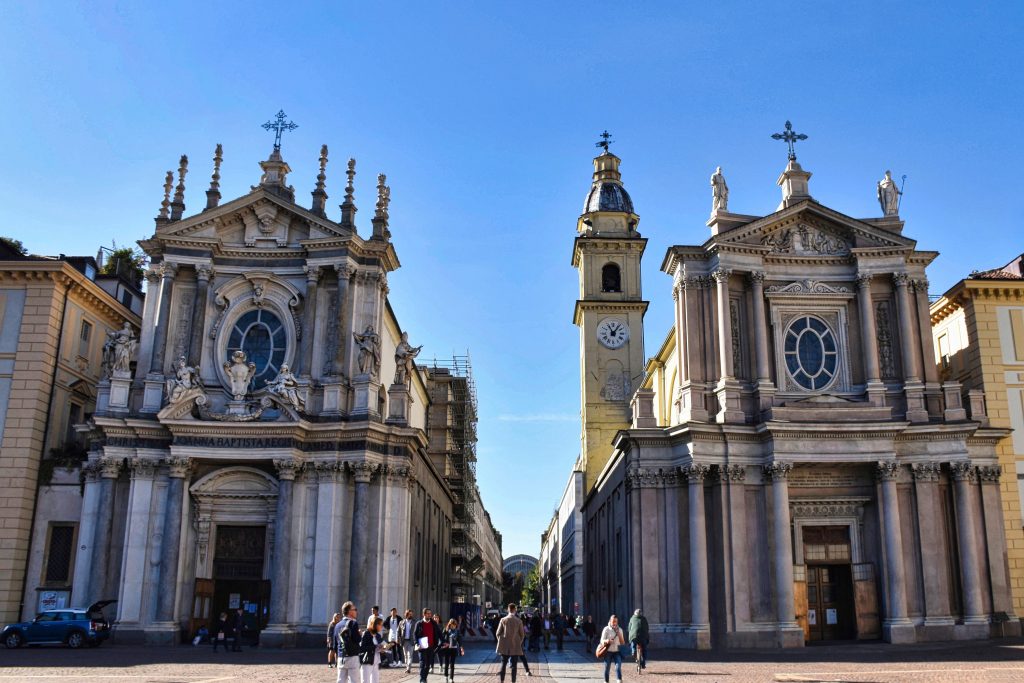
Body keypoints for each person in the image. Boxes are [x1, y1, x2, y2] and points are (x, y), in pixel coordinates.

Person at [496, 603, 525, 683]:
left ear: (508, 610)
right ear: (515, 610)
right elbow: (522, 635)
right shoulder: (519, 621)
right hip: (515, 646)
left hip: (504, 646)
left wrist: (501, 641)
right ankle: (513, 682)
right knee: (514, 666)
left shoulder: (503, 620)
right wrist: (518, 642)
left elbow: (498, 633)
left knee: (503, 664)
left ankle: (502, 681)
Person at [413, 608, 441, 683]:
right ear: (424, 614)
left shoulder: (433, 623)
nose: (429, 615)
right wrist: (416, 643)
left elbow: (439, 633)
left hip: (431, 647)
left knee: (428, 665)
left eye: (430, 613)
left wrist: (443, 641)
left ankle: (424, 678)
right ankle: (422, 680)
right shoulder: (419, 623)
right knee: (422, 663)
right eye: (428, 613)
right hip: (422, 647)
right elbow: (415, 634)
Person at [336, 602, 362, 683]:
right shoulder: (353, 623)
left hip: (341, 656)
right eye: (355, 609)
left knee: (340, 680)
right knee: (354, 680)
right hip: (352, 656)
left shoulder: (338, 625)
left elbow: (335, 643)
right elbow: (357, 639)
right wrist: (360, 634)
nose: (356, 611)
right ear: (349, 611)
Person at [599, 615, 626, 683]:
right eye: (613, 621)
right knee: (607, 667)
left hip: (617, 651)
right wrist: (607, 641)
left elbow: (623, 642)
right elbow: (601, 640)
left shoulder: (620, 629)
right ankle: (606, 681)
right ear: (610, 621)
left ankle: (619, 680)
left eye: (616, 621)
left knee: (618, 667)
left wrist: (619, 634)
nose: (614, 623)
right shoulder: (606, 629)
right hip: (608, 651)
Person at [360, 616, 385, 683]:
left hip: (376, 661)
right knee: (365, 681)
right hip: (367, 661)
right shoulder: (366, 634)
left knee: (375, 681)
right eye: (380, 625)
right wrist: (375, 647)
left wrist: (383, 649)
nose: (381, 627)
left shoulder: (378, 635)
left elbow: (381, 645)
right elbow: (362, 648)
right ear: (376, 624)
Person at [438, 618, 464, 683]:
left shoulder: (457, 631)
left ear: (456, 625)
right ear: (449, 625)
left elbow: (459, 640)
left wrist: (461, 647)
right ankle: (446, 676)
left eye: (454, 625)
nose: (453, 626)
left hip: (454, 649)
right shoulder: (446, 630)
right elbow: (441, 638)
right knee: (446, 664)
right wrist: (444, 643)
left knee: (452, 664)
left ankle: (451, 678)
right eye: (451, 625)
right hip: (447, 649)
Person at [399, 609, 416, 674]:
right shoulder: (401, 622)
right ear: (406, 614)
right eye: (409, 614)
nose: (411, 615)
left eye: (411, 614)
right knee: (405, 655)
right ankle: (407, 667)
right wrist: (398, 639)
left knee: (410, 655)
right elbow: (399, 631)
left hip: (411, 641)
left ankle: (408, 668)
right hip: (404, 641)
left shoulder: (414, 622)